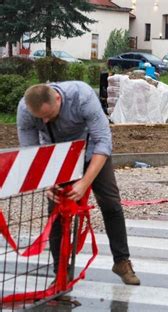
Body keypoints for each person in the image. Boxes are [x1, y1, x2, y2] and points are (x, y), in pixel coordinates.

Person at [17, 81, 141, 285]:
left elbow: (103, 141)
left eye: (49, 114)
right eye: (41, 118)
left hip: (91, 151)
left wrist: (85, 182)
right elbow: (30, 151)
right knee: (57, 214)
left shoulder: (82, 97)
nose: (45, 121)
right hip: (56, 156)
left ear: (57, 98)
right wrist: (46, 183)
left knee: (111, 204)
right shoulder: (26, 109)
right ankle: (61, 274)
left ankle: (122, 262)